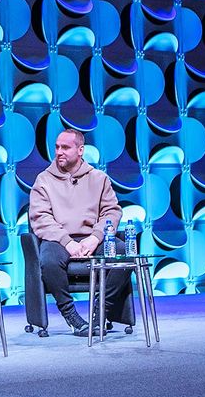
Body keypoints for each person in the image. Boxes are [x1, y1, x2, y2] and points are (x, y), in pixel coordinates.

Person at [27, 128, 131, 336]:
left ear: (80, 150)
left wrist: (96, 237)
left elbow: (111, 211)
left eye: (65, 147)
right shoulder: (44, 180)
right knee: (48, 261)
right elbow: (40, 217)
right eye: (57, 147)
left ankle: (100, 310)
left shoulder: (99, 178)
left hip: (92, 237)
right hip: (58, 239)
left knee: (123, 254)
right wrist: (67, 241)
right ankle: (71, 316)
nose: (59, 152)